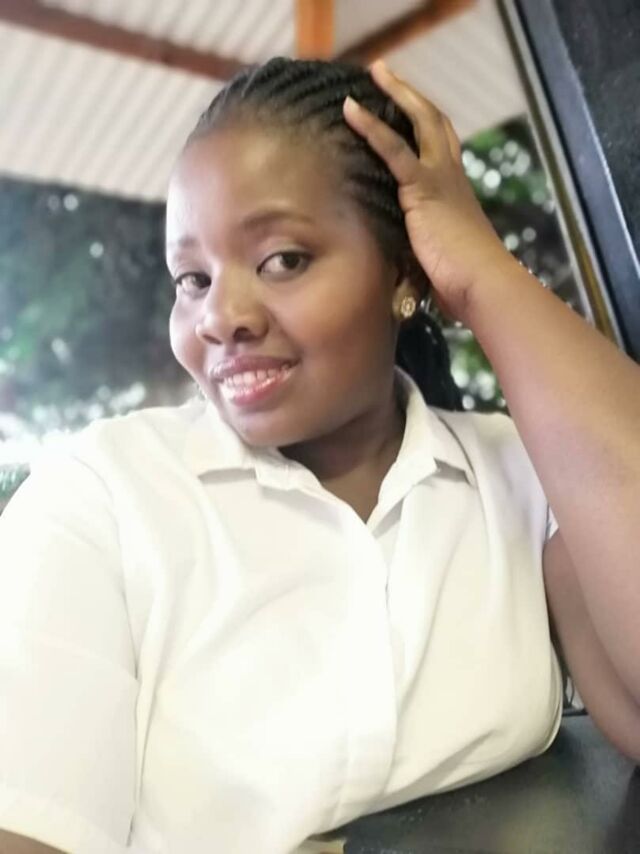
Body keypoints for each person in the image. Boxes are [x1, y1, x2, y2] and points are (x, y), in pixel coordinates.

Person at [1, 56, 639, 854]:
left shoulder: (521, 477)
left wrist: (484, 276)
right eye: (192, 279)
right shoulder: (103, 499)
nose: (221, 316)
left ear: (404, 272)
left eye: (283, 261)